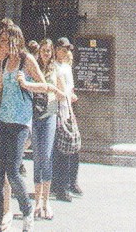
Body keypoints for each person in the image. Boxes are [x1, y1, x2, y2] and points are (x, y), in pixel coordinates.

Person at [0, 25, 46, 232]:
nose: (0, 44)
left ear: (14, 40)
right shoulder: (3, 63)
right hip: (3, 120)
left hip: (21, 123)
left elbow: (44, 85)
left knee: (12, 171)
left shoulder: (26, 60)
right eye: (0, 40)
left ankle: (27, 209)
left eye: (4, 40)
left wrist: (27, 85)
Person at [32, 38, 64, 218]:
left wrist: (56, 93)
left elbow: (62, 92)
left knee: (46, 156)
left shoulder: (55, 70)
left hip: (50, 113)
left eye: (48, 51)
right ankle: (37, 201)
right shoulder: (34, 67)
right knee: (37, 157)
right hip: (35, 113)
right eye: (43, 50)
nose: (45, 53)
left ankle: (46, 201)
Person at [52, 39, 81, 202]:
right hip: (59, 109)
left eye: (68, 49)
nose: (66, 52)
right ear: (57, 49)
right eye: (63, 49)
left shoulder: (67, 66)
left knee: (73, 147)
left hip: (68, 109)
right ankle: (60, 187)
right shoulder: (54, 67)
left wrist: (72, 94)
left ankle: (71, 181)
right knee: (62, 149)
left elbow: (69, 87)